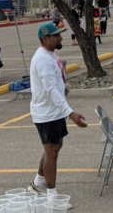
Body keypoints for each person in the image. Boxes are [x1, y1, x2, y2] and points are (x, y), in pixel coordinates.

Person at [27, 22, 88, 199]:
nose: (61, 37)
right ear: (45, 38)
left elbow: (55, 84)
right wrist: (71, 113)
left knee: (54, 147)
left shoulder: (50, 54)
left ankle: (38, 183)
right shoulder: (43, 59)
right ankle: (51, 196)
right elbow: (50, 90)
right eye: (56, 36)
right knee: (51, 150)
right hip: (46, 113)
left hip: (54, 111)